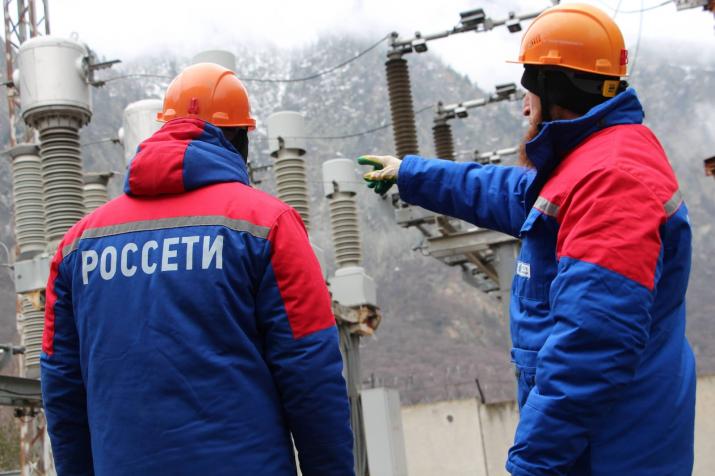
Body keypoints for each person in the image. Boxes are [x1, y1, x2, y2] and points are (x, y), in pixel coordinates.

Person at [359, 3, 694, 475]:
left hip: (606, 453)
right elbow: (508, 192)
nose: (523, 105)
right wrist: (411, 173)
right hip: (598, 443)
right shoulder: (588, 164)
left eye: (529, 88)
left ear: (554, 87)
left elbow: (590, 349)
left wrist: (531, 465)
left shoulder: (612, 180)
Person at [41, 62, 354, 476]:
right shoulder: (268, 225)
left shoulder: (76, 246)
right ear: (239, 137)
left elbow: (62, 386)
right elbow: (310, 371)